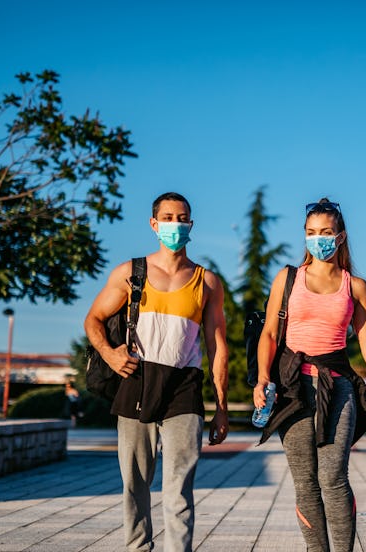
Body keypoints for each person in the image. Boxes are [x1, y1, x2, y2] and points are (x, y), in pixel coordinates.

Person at [254, 198, 366, 552]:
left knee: (333, 478)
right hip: (292, 388)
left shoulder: (355, 287)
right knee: (305, 483)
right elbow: (270, 335)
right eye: (310, 233)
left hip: (337, 387)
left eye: (325, 232)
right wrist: (263, 378)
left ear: (340, 236)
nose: (317, 239)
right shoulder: (288, 278)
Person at [84, 192, 229, 552]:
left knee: (179, 486)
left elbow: (218, 347)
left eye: (182, 218)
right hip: (136, 379)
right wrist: (111, 354)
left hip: (184, 386)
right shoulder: (130, 273)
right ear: (154, 224)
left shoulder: (206, 282)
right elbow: (93, 319)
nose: (175, 225)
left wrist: (222, 407)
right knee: (135, 483)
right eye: (167, 218)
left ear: (191, 224)